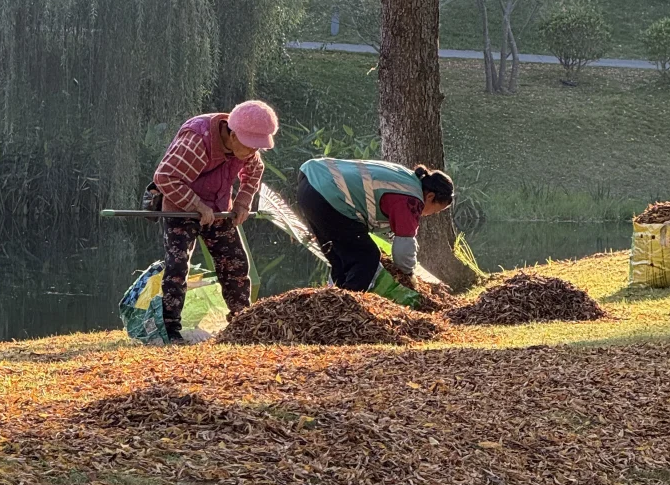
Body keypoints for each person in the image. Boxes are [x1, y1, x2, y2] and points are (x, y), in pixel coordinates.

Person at [149, 100, 279, 344]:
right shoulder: (197, 140)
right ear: (231, 135)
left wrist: (241, 203)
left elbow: (254, 172)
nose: (253, 152)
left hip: (219, 208)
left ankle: (243, 323)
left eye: (257, 146)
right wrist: (197, 205)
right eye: (250, 145)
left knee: (236, 263)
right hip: (181, 206)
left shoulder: (247, 148)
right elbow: (165, 177)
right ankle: (170, 331)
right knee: (177, 266)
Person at [295, 157, 454, 293]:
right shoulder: (412, 200)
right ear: (430, 196)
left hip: (309, 183)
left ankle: (333, 300)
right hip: (329, 196)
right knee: (367, 257)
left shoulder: (406, 177)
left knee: (340, 259)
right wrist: (408, 276)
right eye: (433, 211)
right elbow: (404, 248)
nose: (426, 215)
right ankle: (348, 309)